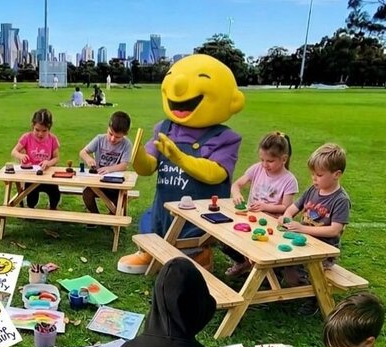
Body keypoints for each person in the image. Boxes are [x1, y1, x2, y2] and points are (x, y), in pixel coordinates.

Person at [117, 55, 244, 274]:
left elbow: (216, 174)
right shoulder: (165, 128)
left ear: (234, 100)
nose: (177, 85)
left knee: (192, 241)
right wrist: (136, 153)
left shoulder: (225, 137)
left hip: (200, 214)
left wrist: (180, 158)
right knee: (155, 222)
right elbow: (148, 167)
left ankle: (198, 254)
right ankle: (151, 249)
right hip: (165, 206)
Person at [280, 144, 350, 310]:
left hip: (323, 251)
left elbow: (334, 230)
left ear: (337, 174)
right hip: (303, 241)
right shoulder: (312, 190)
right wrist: (286, 217)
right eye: (313, 174)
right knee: (277, 258)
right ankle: (277, 284)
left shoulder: (341, 200)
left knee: (292, 272)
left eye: (319, 175)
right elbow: (292, 209)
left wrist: (302, 228)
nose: (314, 178)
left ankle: (315, 296)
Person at [224, 132, 299, 277]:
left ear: (283, 159)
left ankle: (268, 273)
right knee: (225, 239)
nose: (264, 165)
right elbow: (237, 184)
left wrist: (265, 207)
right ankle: (243, 262)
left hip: (272, 226)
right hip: (251, 219)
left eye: (270, 161)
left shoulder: (289, 180)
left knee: (262, 250)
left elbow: (286, 208)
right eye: (262, 159)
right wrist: (237, 193)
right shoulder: (257, 168)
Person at [79, 111, 134, 214]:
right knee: (87, 194)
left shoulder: (127, 144)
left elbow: (124, 165)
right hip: (98, 181)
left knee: (120, 205)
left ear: (125, 134)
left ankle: (113, 217)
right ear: (108, 127)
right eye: (110, 134)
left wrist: (109, 169)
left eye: (117, 137)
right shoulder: (100, 139)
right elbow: (83, 152)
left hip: (115, 184)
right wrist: (88, 159)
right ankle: (95, 217)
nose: (113, 139)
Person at [11, 108, 61, 210]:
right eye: (37, 130)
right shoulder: (27, 137)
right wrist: (21, 156)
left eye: (44, 131)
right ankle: (31, 208)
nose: (40, 134)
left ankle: (52, 208)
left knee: (55, 194)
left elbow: (56, 158)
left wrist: (49, 162)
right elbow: (14, 151)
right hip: (32, 175)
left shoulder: (52, 139)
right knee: (31, 196)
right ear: (32, 126)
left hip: (47, 175)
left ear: (49, 128)